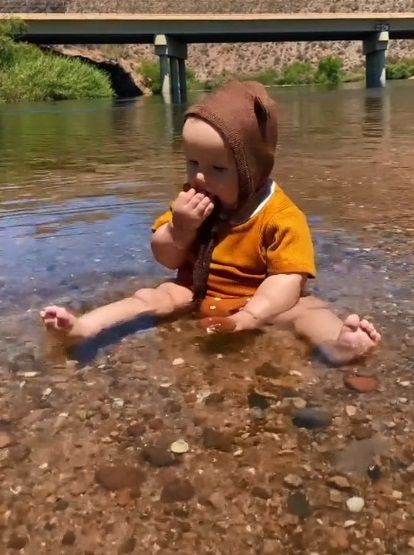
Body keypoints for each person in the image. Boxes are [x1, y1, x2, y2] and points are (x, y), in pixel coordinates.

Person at [40, 80, 380, 364]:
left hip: (260, 299)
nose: (200, 177)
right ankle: (84, 327)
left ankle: (339, 345)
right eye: (192, 163)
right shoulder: (191, 200)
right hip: (195, 290)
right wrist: (179, 229)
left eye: (217, 169)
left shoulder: (281, 216)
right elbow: (166, 257)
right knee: (149, 297)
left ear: (253, 171)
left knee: (308, 311)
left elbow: (287, 280)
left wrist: (249, 316)